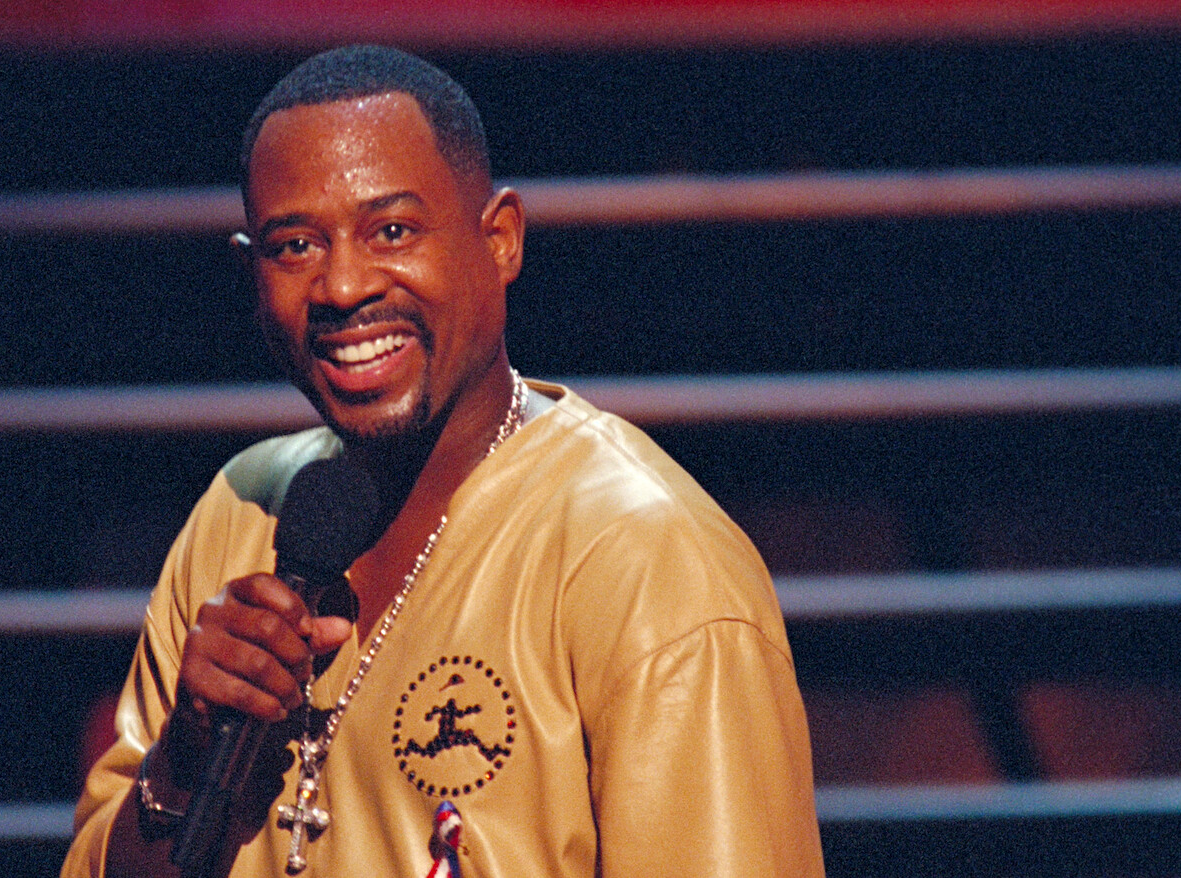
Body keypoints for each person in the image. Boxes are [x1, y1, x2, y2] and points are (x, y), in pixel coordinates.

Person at [64, 45, 823, 878]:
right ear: (251, 271)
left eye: (391, 231)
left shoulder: (649, 560)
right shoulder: (241, 509)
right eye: (295, 246)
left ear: (500, 241)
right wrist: (182, 765)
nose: (342, 286)